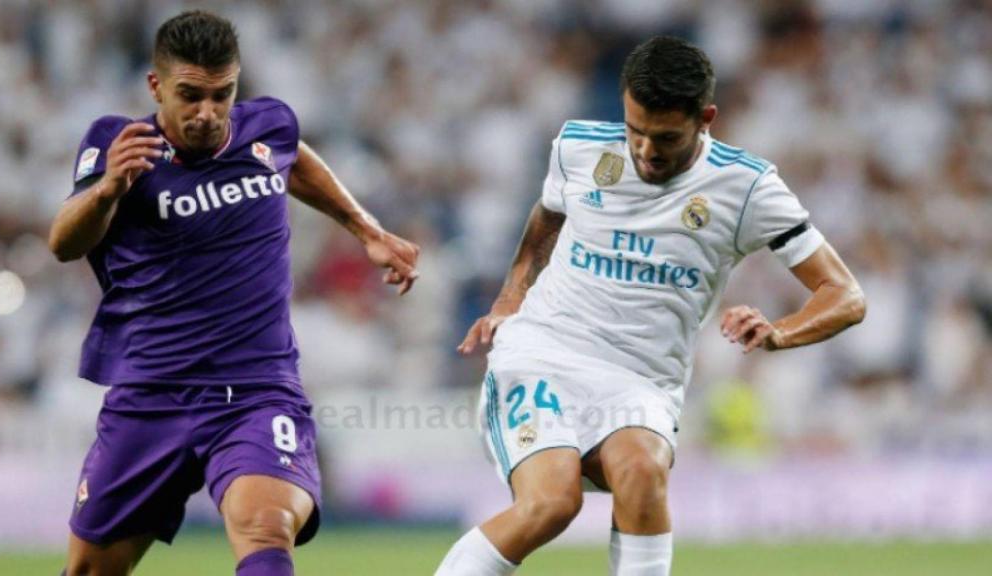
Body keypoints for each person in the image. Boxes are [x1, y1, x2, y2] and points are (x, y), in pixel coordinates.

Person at [436, 36, 865, 576]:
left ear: (705, 118)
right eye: (635, 131)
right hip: (544, 350)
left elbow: (845, 296)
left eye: (665, 138)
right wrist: (509, 298)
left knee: (642, 471)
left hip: (642, 380)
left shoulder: (747, 187)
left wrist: (781, 332)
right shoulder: (578, 148)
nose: (644, 151)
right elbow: (547, 217)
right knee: (552, 503)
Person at [48, 10, 420, 576]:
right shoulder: (118, 144)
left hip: (255, 391)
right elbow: (63, 243)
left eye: (222, 95)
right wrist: (107, 191)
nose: (208, 113)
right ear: (156, 86)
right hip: (152, 391)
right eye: (190, 95)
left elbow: (294, 160)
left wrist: (366, 229)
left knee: (265, 528)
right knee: (90, 571)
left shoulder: (266, 128)